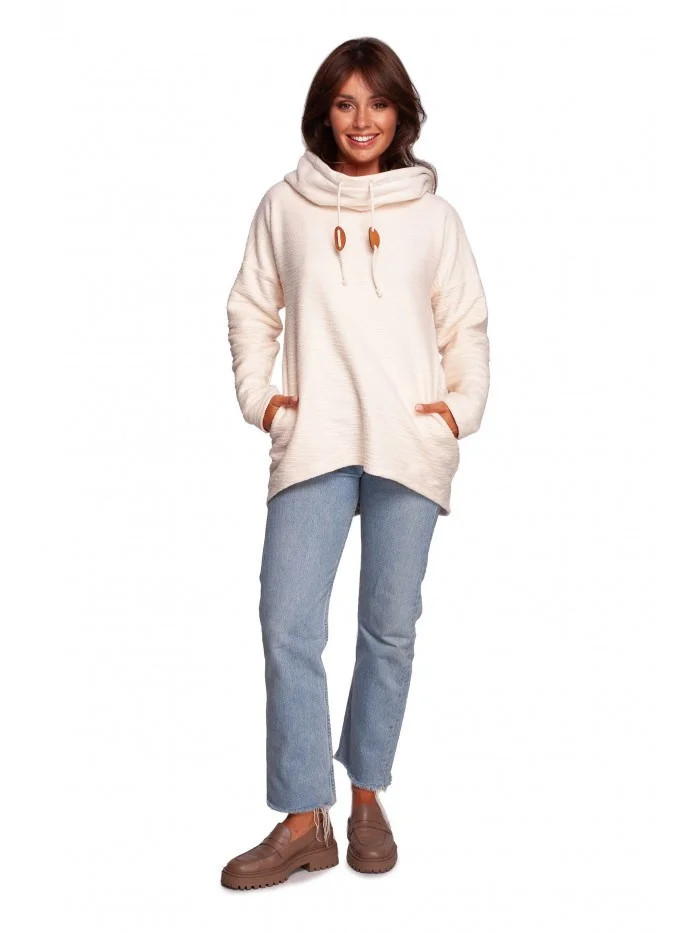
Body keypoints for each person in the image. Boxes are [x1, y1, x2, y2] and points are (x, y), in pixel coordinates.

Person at [220, 36, 490, 890]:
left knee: (389, 628)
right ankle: (306, 818)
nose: (361, 120)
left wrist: (459, 410)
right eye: (344, 103)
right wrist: (265, 401)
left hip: (409, 440)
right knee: (287, 622)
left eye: (377, 103)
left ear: (401, 114)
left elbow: (466, 326)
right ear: (324, 113)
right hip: (318, 436)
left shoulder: (435, 218)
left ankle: (367, 796)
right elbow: (251, 306)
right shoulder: (285, 205)